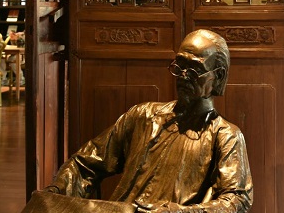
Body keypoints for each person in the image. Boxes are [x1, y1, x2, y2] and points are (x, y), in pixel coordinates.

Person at [29, 29, 253, 212]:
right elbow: (85, 162)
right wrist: (57, 192)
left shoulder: (225, 135)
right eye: (180, 66)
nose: (183, 77)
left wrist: (177, 212)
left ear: (218, 76)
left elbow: (236, 200)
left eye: (194, 70)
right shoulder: (144, 115)